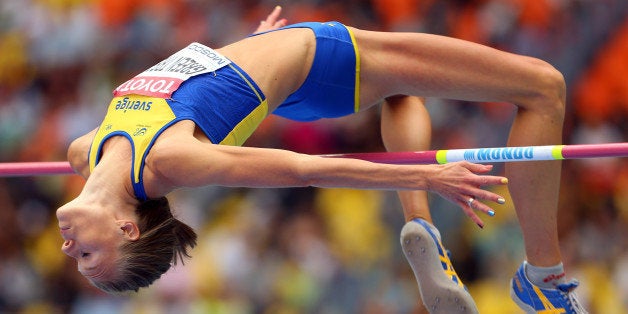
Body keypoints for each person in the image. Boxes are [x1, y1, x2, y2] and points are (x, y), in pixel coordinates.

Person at [55, 6, 586, 313]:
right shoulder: (167, 160)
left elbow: (186, 87)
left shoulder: (87, 149)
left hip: (285, 76)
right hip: (325, 60)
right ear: (127, 229)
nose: (67, 247)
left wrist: (249, 50)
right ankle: (542, 275)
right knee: (544, 87)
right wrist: (425, 172)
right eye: (85, 258)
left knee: (401, 94)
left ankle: (420, 223)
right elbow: (303, 171)